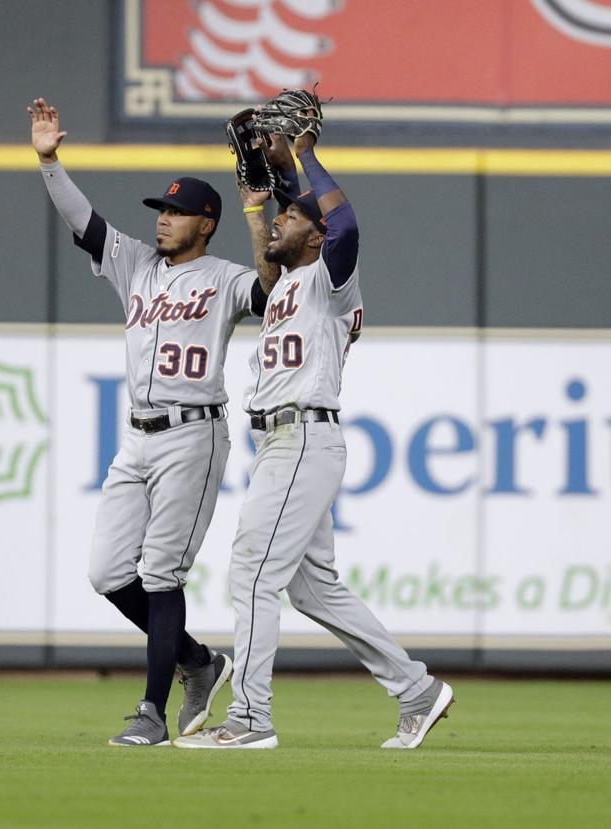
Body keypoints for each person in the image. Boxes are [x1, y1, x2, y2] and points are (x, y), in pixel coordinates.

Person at [175, 123, 454, 750]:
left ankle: (250, 719)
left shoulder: (331, 279)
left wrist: (304, 155)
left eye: (290, 219)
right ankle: (418, 690)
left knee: (251, 573)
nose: (279, 223)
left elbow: (342, 225)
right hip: (284, 443)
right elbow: (295, 226)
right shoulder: (292, 279)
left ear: (317, 236)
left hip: (302, 436)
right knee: (312, 587)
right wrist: (277, 183)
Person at [28, 97, 279, 747]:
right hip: (136, 437)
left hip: (194, 435)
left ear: (206, 222)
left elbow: (272, 288)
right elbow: (83, 224)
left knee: (163, 571)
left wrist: (257, 209)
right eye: (161, 212)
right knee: (109, 572)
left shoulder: (225, 278)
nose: (163, 221)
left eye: (176, 212)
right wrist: (50, 161)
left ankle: (151, 710)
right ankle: (199, 659)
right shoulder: (136, 264)